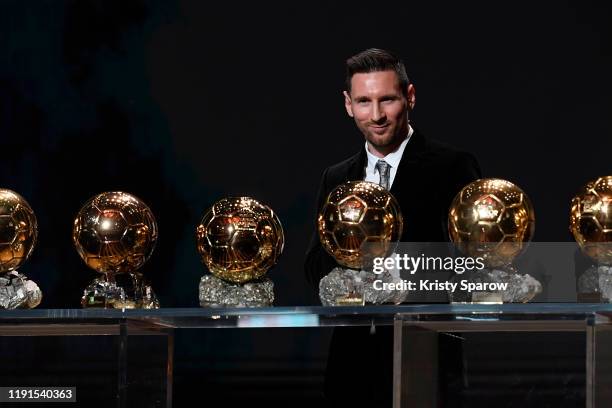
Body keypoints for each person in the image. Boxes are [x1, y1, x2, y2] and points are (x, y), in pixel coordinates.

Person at [304, 48, 482, 406]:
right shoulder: (336, 177)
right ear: (348, 104)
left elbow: (471, 263)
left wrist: (394, 274)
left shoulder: (452, 166)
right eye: (364, 101)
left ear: (410, 97)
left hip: (426, 360)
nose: (377, 115)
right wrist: (350, 279)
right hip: (350, 368)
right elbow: (314, 264)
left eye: (387, 99)